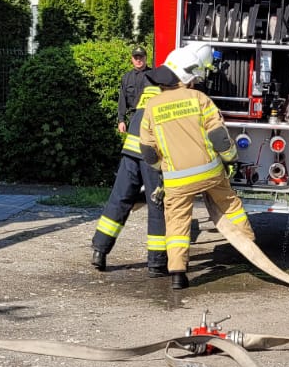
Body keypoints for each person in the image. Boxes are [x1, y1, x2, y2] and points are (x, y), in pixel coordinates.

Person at [138, 42, 254, 290]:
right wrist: (230, 158)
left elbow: (147, 150)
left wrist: (163, 167)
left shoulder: (151, 107)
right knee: (230, 206)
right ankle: (250, 251)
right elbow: (219, 138)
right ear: (186, 77)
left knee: (177, 223)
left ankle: (178, 274)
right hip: (210, 172)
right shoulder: (199, 99)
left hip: (176, 180)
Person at [91, 57, 172, 275]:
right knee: (157, 205)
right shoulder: (173, 96)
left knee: (120, 199)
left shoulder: (149, 90)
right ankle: (156, 263)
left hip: (130, 150)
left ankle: (99, 250)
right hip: (151, 155)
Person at [115, 47, 151, 135]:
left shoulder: (153, 75)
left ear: (146, 58)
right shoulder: (126, 78)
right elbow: (122, 101)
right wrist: (121, 120)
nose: (138, 60)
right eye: (136, 58)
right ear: (132, 59)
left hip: (150, 117)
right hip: (133, 117)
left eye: (141, 57)